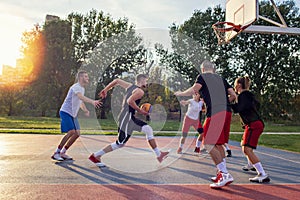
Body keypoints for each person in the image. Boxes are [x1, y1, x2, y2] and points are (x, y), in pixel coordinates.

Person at [175, 60, 236, 189]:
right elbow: (233, 95)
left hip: (215, 112)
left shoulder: (202, 77)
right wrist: (224, 102)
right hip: (227, 111)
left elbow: (194, 89)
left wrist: (181, 93)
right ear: (212, 68)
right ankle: (221, 172)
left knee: (208, 143)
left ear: (203, 69)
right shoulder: (222, 78)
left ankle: (224, 174)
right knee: (218, 144)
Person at [89, 74, 169, 167]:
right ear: (141, 80)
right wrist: (140, 111)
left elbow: (117, 81)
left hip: (129, 117)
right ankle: (96, 156)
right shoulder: (139, 91)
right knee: (120, 143)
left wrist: (106, 89)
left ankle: (159, 155)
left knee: (148, 129)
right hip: (126, 118)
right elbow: (130, 101)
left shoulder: (130, 86)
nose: (146, 83)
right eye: (146, 81)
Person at [51, 70, 102, 161]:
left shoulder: (82, 88)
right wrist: (92, 101)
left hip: (73, 114)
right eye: (86, 76)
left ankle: (63, 152)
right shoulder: (76, 87)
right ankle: (56, 152)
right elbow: (80, 97)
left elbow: (80, 101)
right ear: (81, 78)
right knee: (71, 132)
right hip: (66, 112)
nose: (88, 78)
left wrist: (85, 110)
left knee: (77, 133)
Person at [232, 76, 270, 183]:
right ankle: (250, 164)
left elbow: (239, 108)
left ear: (239, 85)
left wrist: (228, 103)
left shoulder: (243, 96)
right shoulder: (248, 95)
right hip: (255, 124)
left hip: (253, 124)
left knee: (246, 149)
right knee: (244, 144)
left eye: (235, 84)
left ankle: (262, 174)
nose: (234, 86)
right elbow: (255, 105)